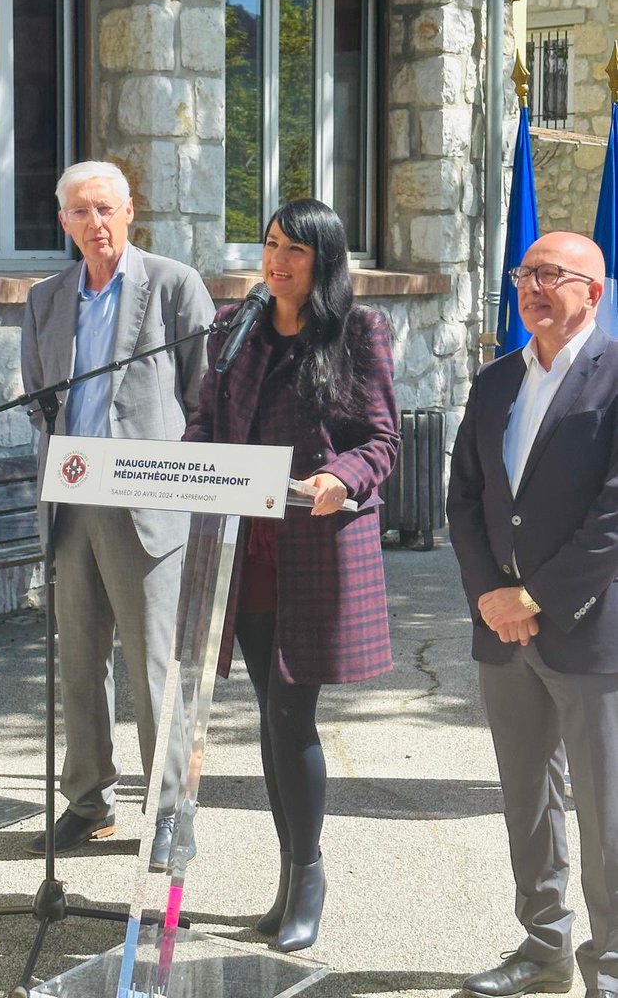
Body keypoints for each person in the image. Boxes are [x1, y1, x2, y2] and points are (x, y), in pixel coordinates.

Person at [184, 198, 399, 952]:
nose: (276, 261)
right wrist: (185, 467)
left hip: (312, 548)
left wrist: (342, 477)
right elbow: (205, 422)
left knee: (287, 715)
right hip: (243, 556)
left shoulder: (357, 332)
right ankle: (286, 879)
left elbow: (379, 439)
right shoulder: (233, 326)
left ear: (324, 260)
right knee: (270, 718)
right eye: (270, 245)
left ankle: (307, 876)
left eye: (294, 251)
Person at [20, 161, 215, 871]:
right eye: (79, 212)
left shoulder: (172, 286)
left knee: (155, 666)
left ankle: (170, 815)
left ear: (130, 212)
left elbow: (207, 398)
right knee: (78, 664)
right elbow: (40, 397)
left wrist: (184, 485)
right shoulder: (46, 298)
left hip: (148, 508)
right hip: (73, 505)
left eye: (105, 208)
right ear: (64, 221)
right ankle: (86, 801)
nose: (93, 223)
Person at [447, 231, 618, 998]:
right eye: (525, 273)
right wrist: (491, 592)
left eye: (552, 274)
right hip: (502, 630)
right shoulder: (494, 382)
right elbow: (465, 499)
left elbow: (612, 515)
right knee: (529, 800)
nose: (533, 286)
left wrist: (536, 595)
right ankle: (544, 948)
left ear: (595, 292)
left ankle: (610, 964)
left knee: (606, 809)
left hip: (588, 628)